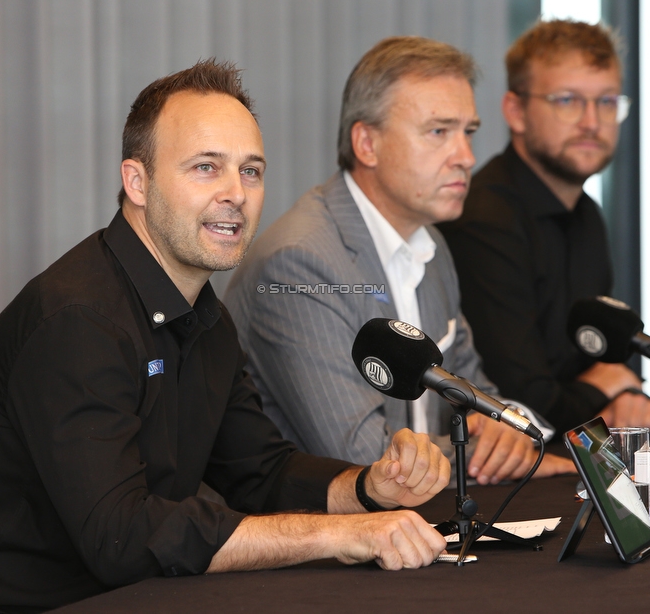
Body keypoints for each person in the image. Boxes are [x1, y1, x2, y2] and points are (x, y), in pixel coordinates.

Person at [0, 61, 452, 614]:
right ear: (137, 182)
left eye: (251, 170)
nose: (236, 193)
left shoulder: (203, 313)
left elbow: (262, 473)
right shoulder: (80, 319)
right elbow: (121, 538)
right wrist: (342, 535)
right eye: (206, 167)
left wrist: (369, 489)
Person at [225, 36, 574, 487]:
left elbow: (473, 387)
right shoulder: (300, 263)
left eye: (468, 132)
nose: (466, 157)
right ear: (367, 144)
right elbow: (362, 456)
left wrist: (510, 430)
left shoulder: (429, 244)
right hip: (321, 541)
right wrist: (488, 453)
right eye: (438, 132)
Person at [437, 19, 650, 436]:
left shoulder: (586, 214)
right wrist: (604, 390)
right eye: (568, 100)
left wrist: (621, 394)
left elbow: (603, 356)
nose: (592, 121)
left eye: (607, 101)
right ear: (516, 112)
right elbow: (521, 402)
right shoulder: (484, 220)